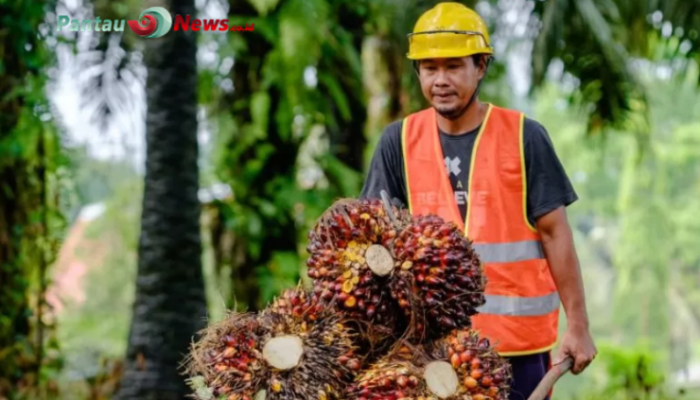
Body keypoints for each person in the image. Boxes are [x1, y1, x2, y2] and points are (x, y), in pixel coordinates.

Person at [359, 3, 597, 399]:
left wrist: (579, 324)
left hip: (517, 352)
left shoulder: (525, 137)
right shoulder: (397, 142)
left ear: (481, 66)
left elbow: (556, 234)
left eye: (453, 66)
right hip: (430, 355)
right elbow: (372, 247)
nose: (440, 80)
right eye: (430, 68)